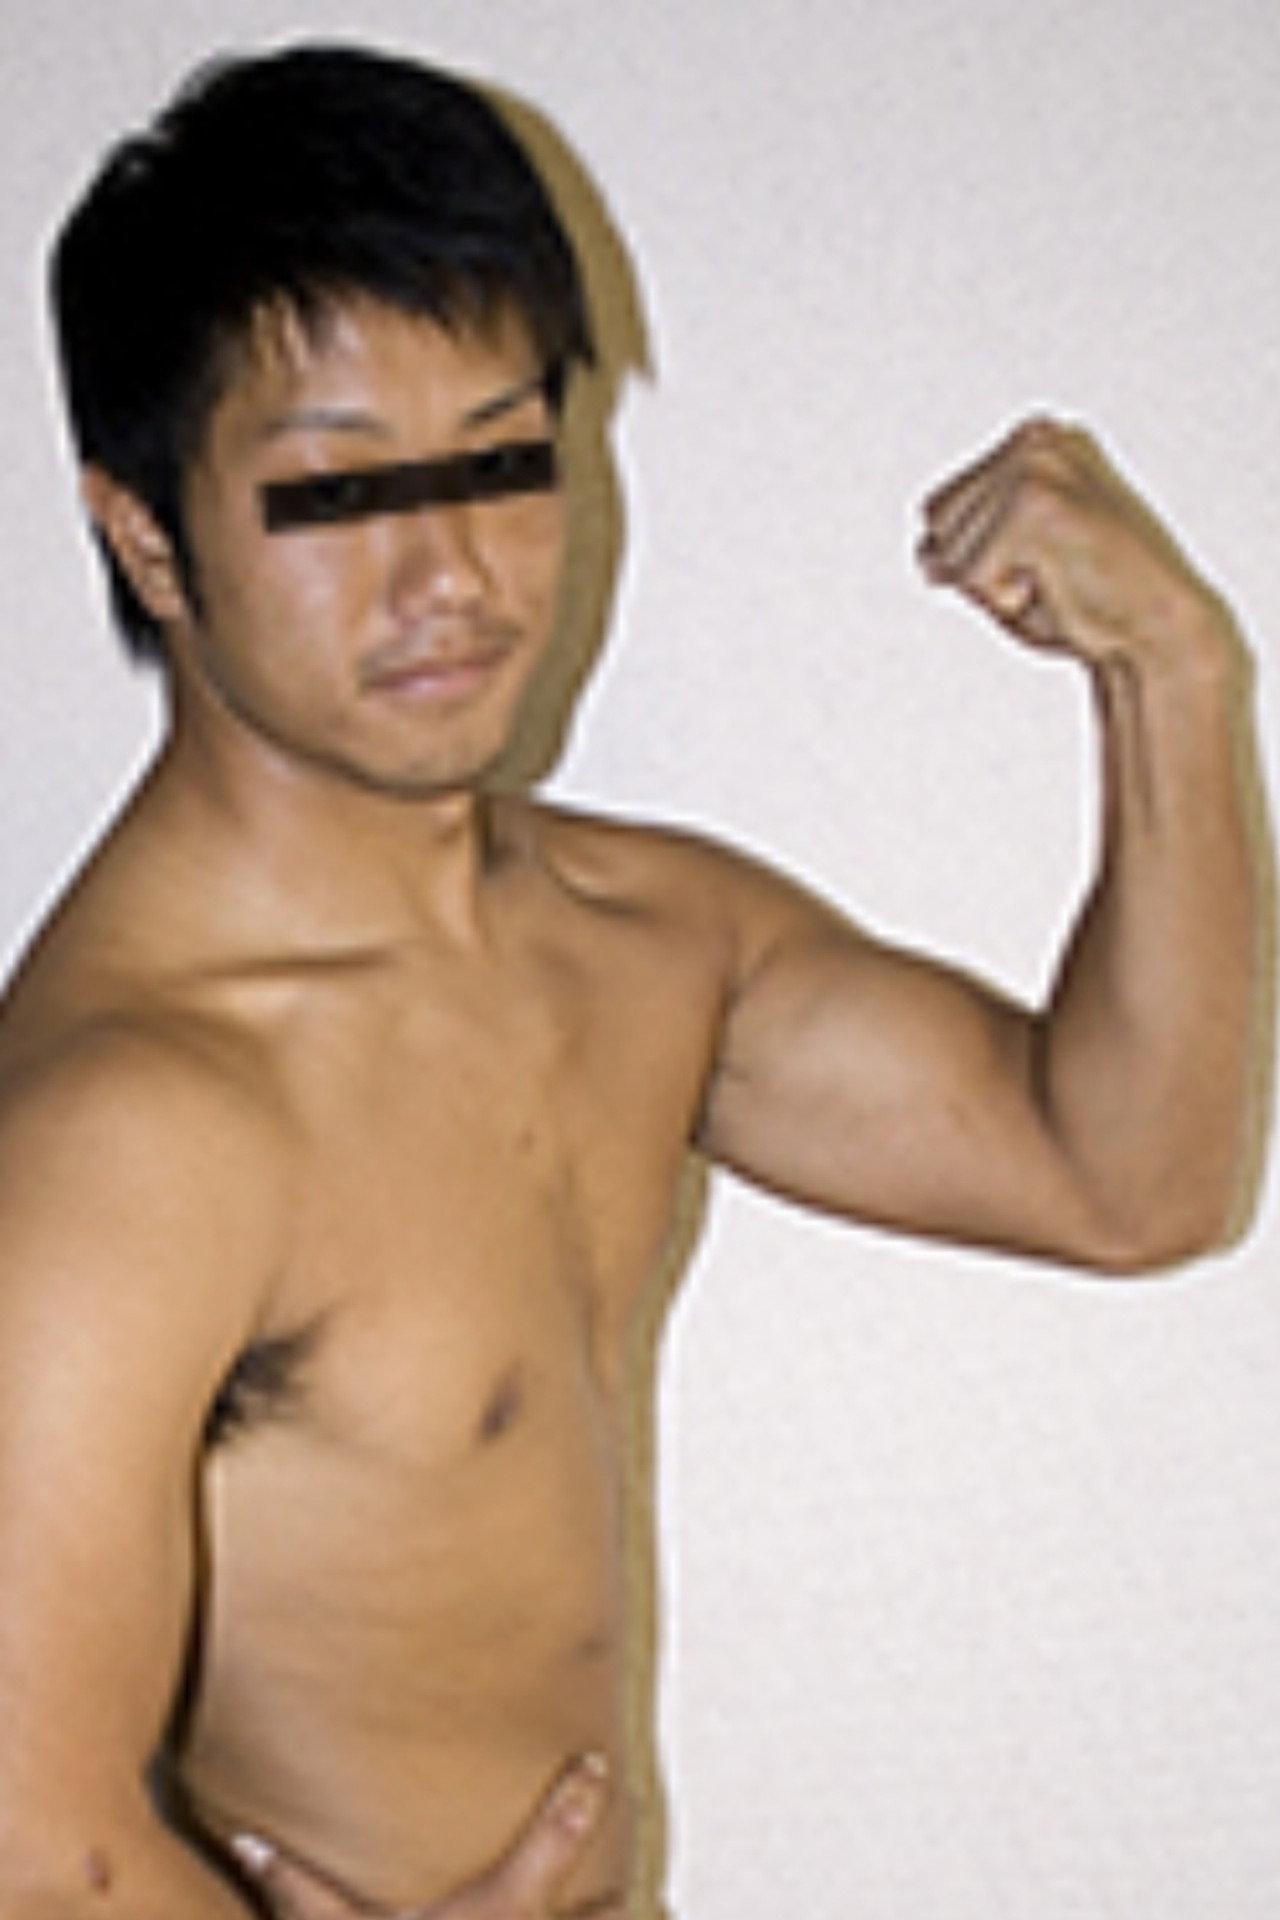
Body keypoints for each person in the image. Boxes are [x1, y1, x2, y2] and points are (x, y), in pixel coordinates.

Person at [0, 38, 1263, 1920]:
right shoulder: (131, 1124)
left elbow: (1129, 1174)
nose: (450, 576)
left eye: (502, 460)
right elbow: (34, 1843)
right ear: (145, 537)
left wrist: (1174, 675)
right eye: (336, 494)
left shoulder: (637, 943)